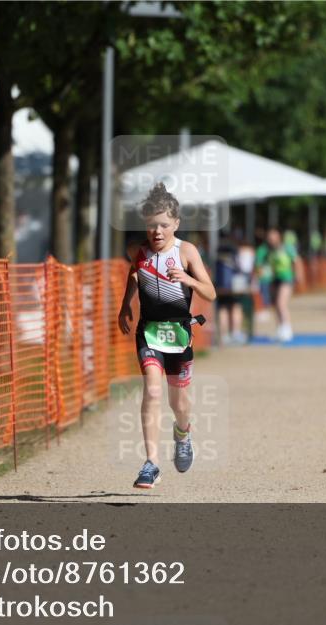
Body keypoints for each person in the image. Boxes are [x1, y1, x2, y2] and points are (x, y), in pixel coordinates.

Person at [117, 183, 216, 490]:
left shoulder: (186, 251)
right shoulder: (139, 251)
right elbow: (135, 273)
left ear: (176, 223)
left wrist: (188, 279)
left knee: (179, 403)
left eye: (163, 225)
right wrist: (125, 307)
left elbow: (210, 293)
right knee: (153, 390)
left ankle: (183, 433)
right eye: (151, 225)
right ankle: (151, 463)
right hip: (148, 332)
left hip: (178, 335)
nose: (157, 231)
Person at [255, 228, 302, 341]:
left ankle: (287, 329)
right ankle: (280, 329)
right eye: (270, 238)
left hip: (286, 278)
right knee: (276, 305)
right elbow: (258, 264)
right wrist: (261, 273)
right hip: (273, 279)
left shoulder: (287, 248)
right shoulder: (265, 250)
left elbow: (297, 261)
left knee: (281, 303)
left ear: (279, 237)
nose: (272, 240)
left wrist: (299, 274)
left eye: (274, 237)